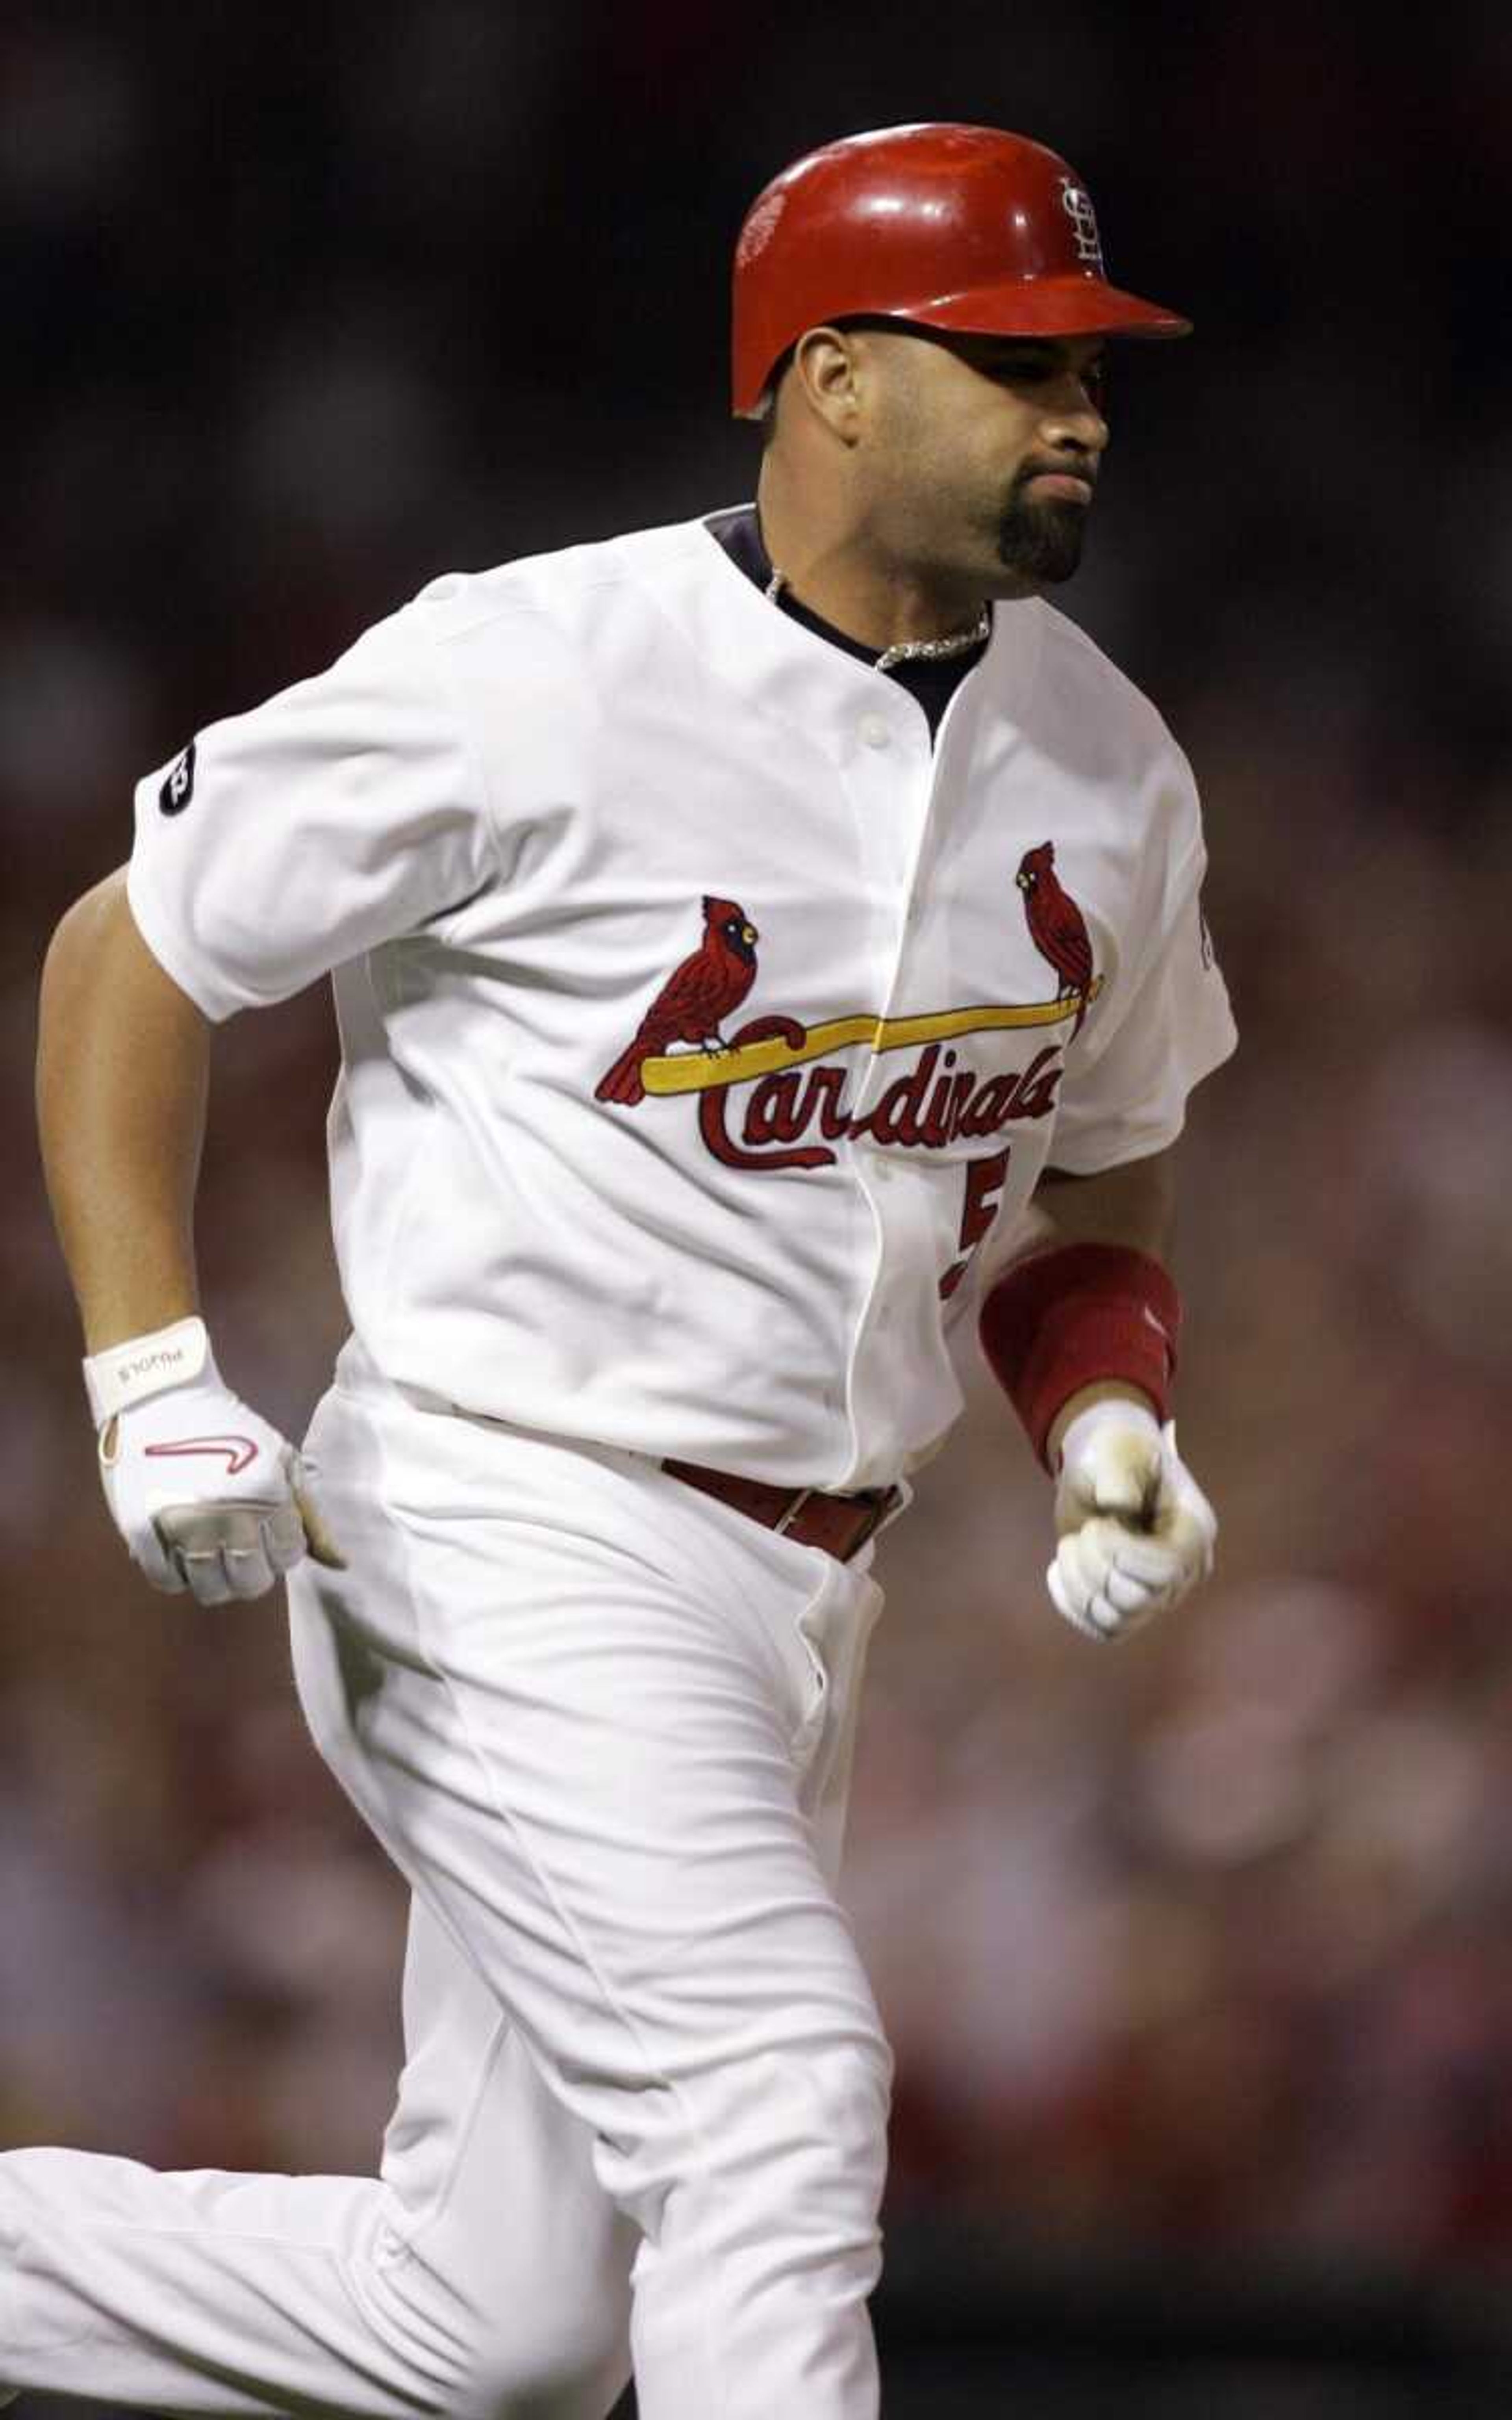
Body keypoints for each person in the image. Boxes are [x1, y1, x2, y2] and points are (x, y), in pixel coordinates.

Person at [25, 122, 1234, 2420]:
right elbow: (132, 952)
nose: (1079, 407)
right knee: (777, 2096)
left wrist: (1103, 1418)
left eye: (1093, 362)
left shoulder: (1112, 763)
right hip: (506, 1514)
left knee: (500, 2327)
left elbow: (1102, 1181)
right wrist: (149, 1367)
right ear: (834, 380)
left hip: (811, 1595)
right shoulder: (536, 668)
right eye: (1017, 360)